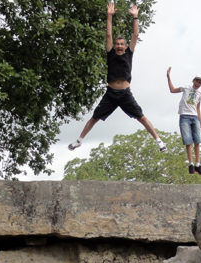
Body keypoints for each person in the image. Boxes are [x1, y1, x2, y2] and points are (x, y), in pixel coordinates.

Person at [68, 3, 166, 153]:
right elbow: (108, 34)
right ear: (114, 46)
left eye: (122, 44)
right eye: (117, 44)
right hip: (111, 94)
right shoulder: (110, 53)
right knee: (94, 118)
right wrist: (109, 15)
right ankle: (79, 140)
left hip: (125, 94)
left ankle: (159, 141)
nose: (119, 46)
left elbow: (136, 35)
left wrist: (135, 16)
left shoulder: (129, 53)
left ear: (126, 46)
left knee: (142, 118)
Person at [166, 67, 201, 176]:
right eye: (196, 81)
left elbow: (198, 108)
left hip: (194, 117)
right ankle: (190, 163)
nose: (198, 83)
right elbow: (172, 90)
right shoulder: (186, 87)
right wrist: (168, 77)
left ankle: (198, 165)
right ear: (193, 80)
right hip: (184, 117)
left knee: (197, 141)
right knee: (188, 141)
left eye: (200, 82)